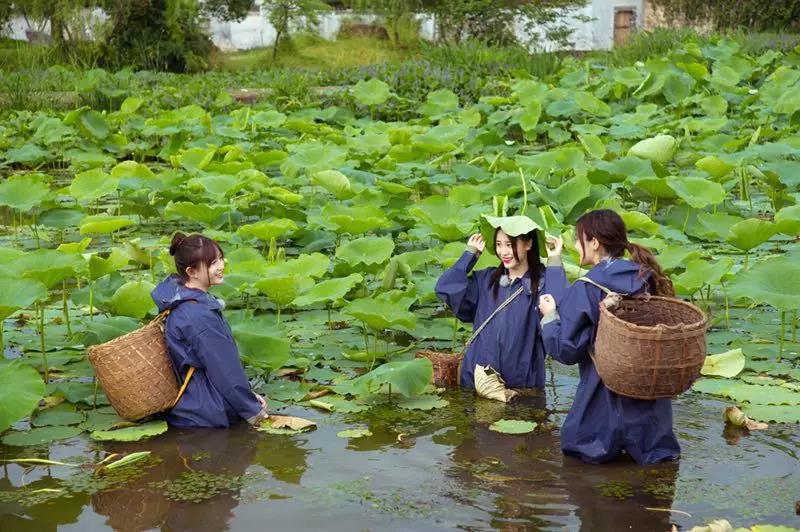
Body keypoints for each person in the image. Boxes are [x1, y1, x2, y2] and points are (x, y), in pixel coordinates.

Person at [537, 209, 680, 465]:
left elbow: (566, 350)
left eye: (579, 239)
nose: (576, 245)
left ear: (594, 242)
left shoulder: (587, 286)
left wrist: (549, 318)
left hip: (602, 403)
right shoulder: (645, 276)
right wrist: (555, 261)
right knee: (658, 472)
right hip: (649, 403)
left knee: (583, 465)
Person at [151, 232, 268, 428]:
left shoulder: (181, 301)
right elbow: (223, 368)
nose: (221, 266)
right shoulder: (198, 314)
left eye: (220, 258)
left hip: (193, 406)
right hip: (209, 414)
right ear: (192, 272)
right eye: (213, 263)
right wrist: (252, 411)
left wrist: (249, 395)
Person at [435, 219, 568, 390]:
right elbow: (446, 288)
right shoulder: (486, 280)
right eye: (499, 244)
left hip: (520, 388)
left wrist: (554, 262)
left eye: (509, 245)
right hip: (476, 382)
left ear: (528, 244)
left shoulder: (540, 285)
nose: (503, 251)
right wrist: (469, 255)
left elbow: (559, 308)